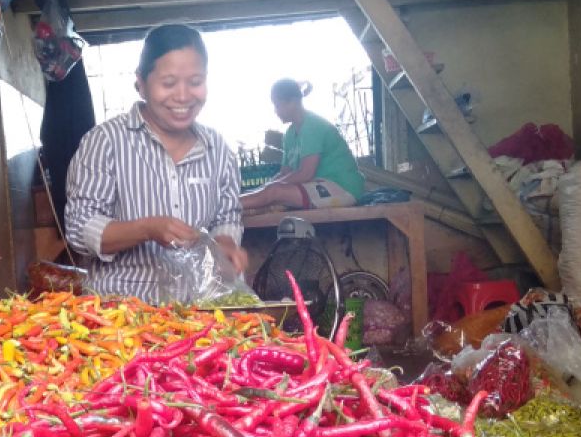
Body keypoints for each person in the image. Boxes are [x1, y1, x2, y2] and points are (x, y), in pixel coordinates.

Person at [65, 24, 247, 303]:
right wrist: (146, 229)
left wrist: (225, 244)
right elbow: (80, 229)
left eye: (195, 82)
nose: (184, 96)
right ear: (141, 83)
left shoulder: (218, 149)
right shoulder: (105, 142)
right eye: (169, 83)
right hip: (121, 315)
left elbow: (227, 217)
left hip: (201, 313)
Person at [241, 79, 366, 212]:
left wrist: (269, 189)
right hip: (316, 184)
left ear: (293, 102)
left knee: (274, 192)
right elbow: (284, 173)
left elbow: (306, 174)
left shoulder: (313, 125)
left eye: (277, 106)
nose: (275, 111)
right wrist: (261, 189)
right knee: (270, 195)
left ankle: (225, 206)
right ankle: (232, 205)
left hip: (342, 187)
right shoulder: (289, 134)